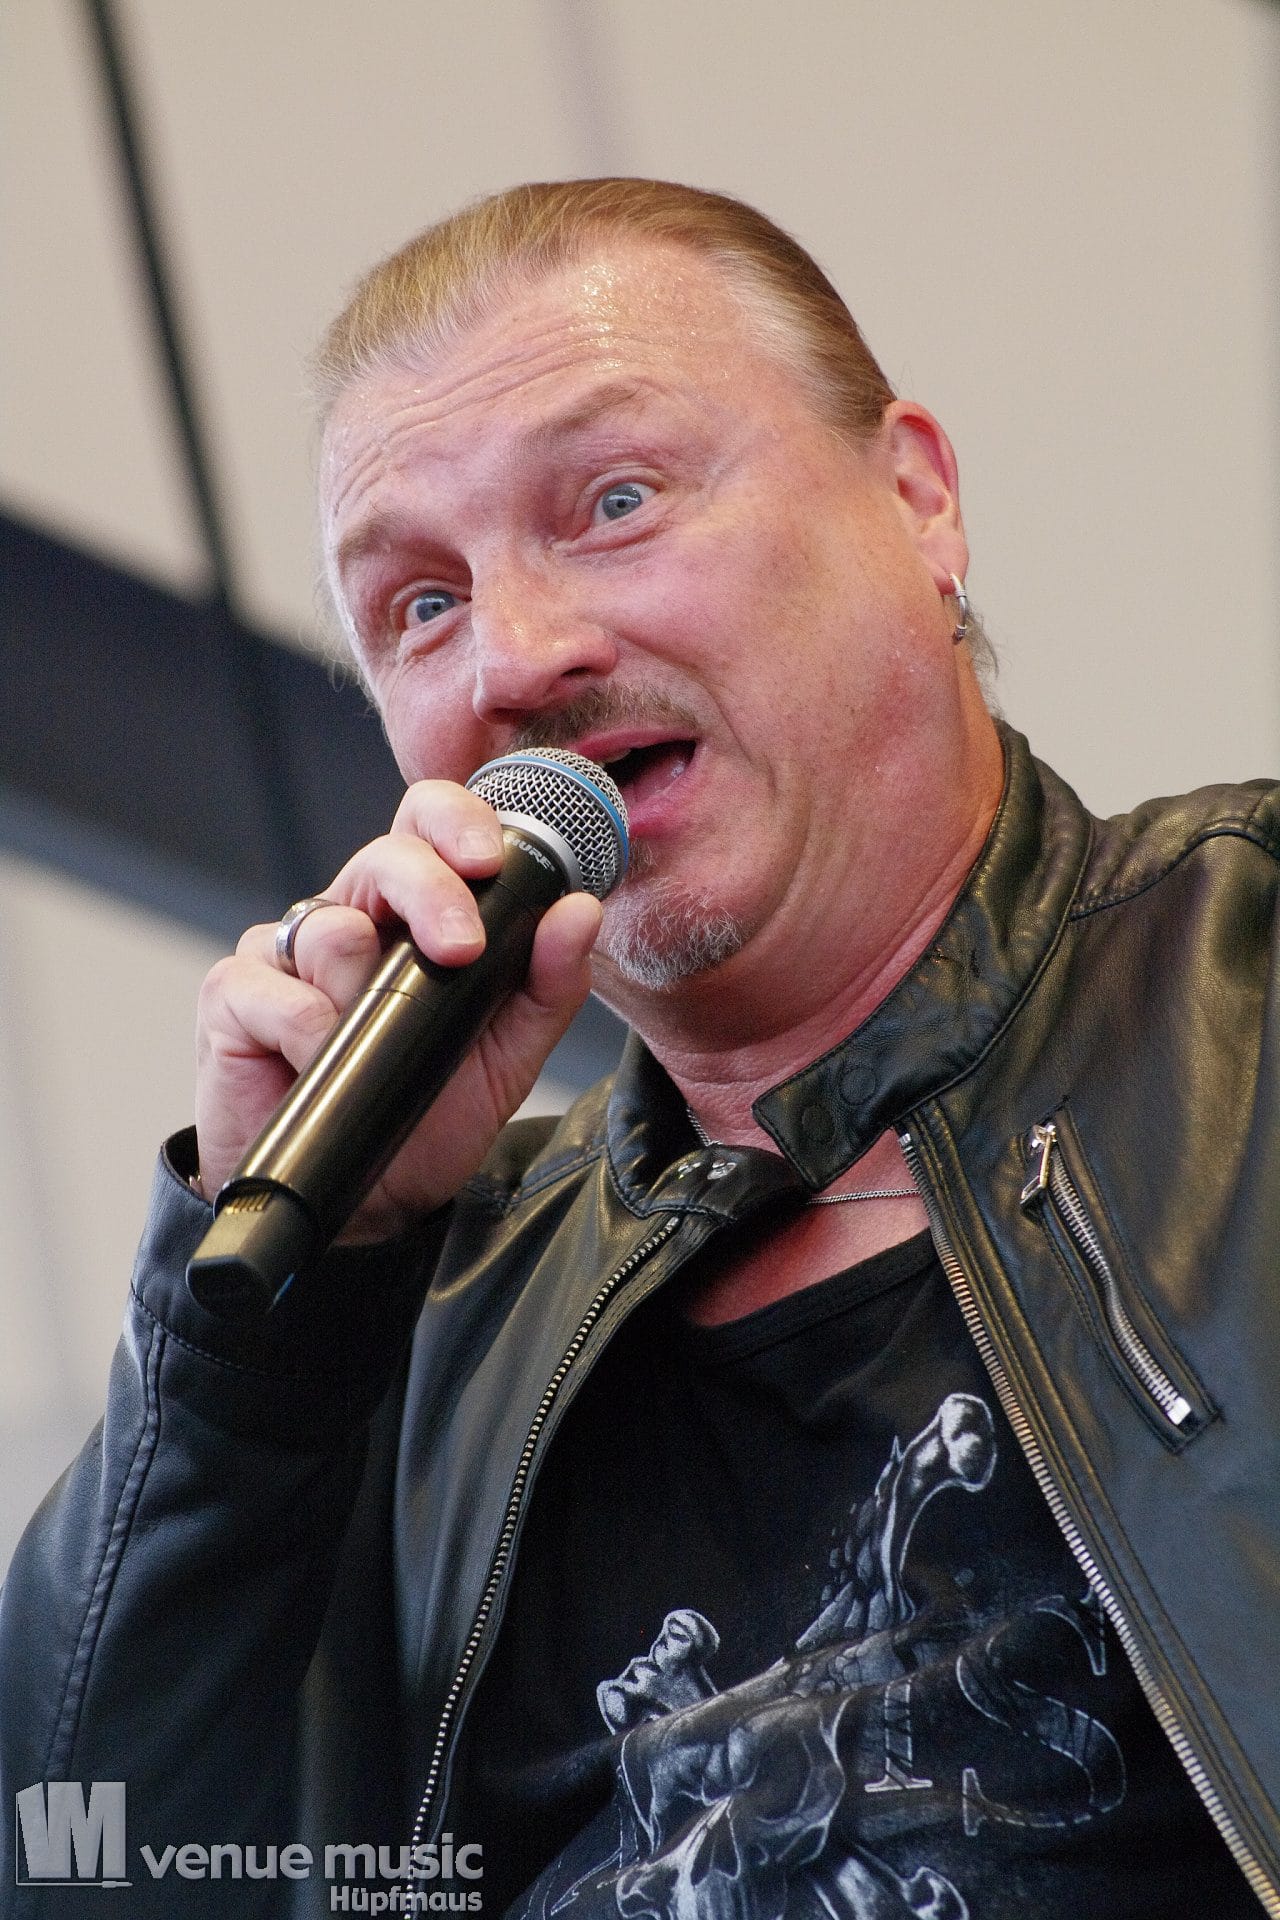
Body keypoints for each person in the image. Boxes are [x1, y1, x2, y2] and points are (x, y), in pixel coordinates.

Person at [2, 179, 1277, 1920]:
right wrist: (253, 1357)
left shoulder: (1245, 976)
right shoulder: (408, 1330)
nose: (518, 658)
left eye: (615, 502)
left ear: (918, 501)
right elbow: (80, 1865)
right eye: (421, 606)